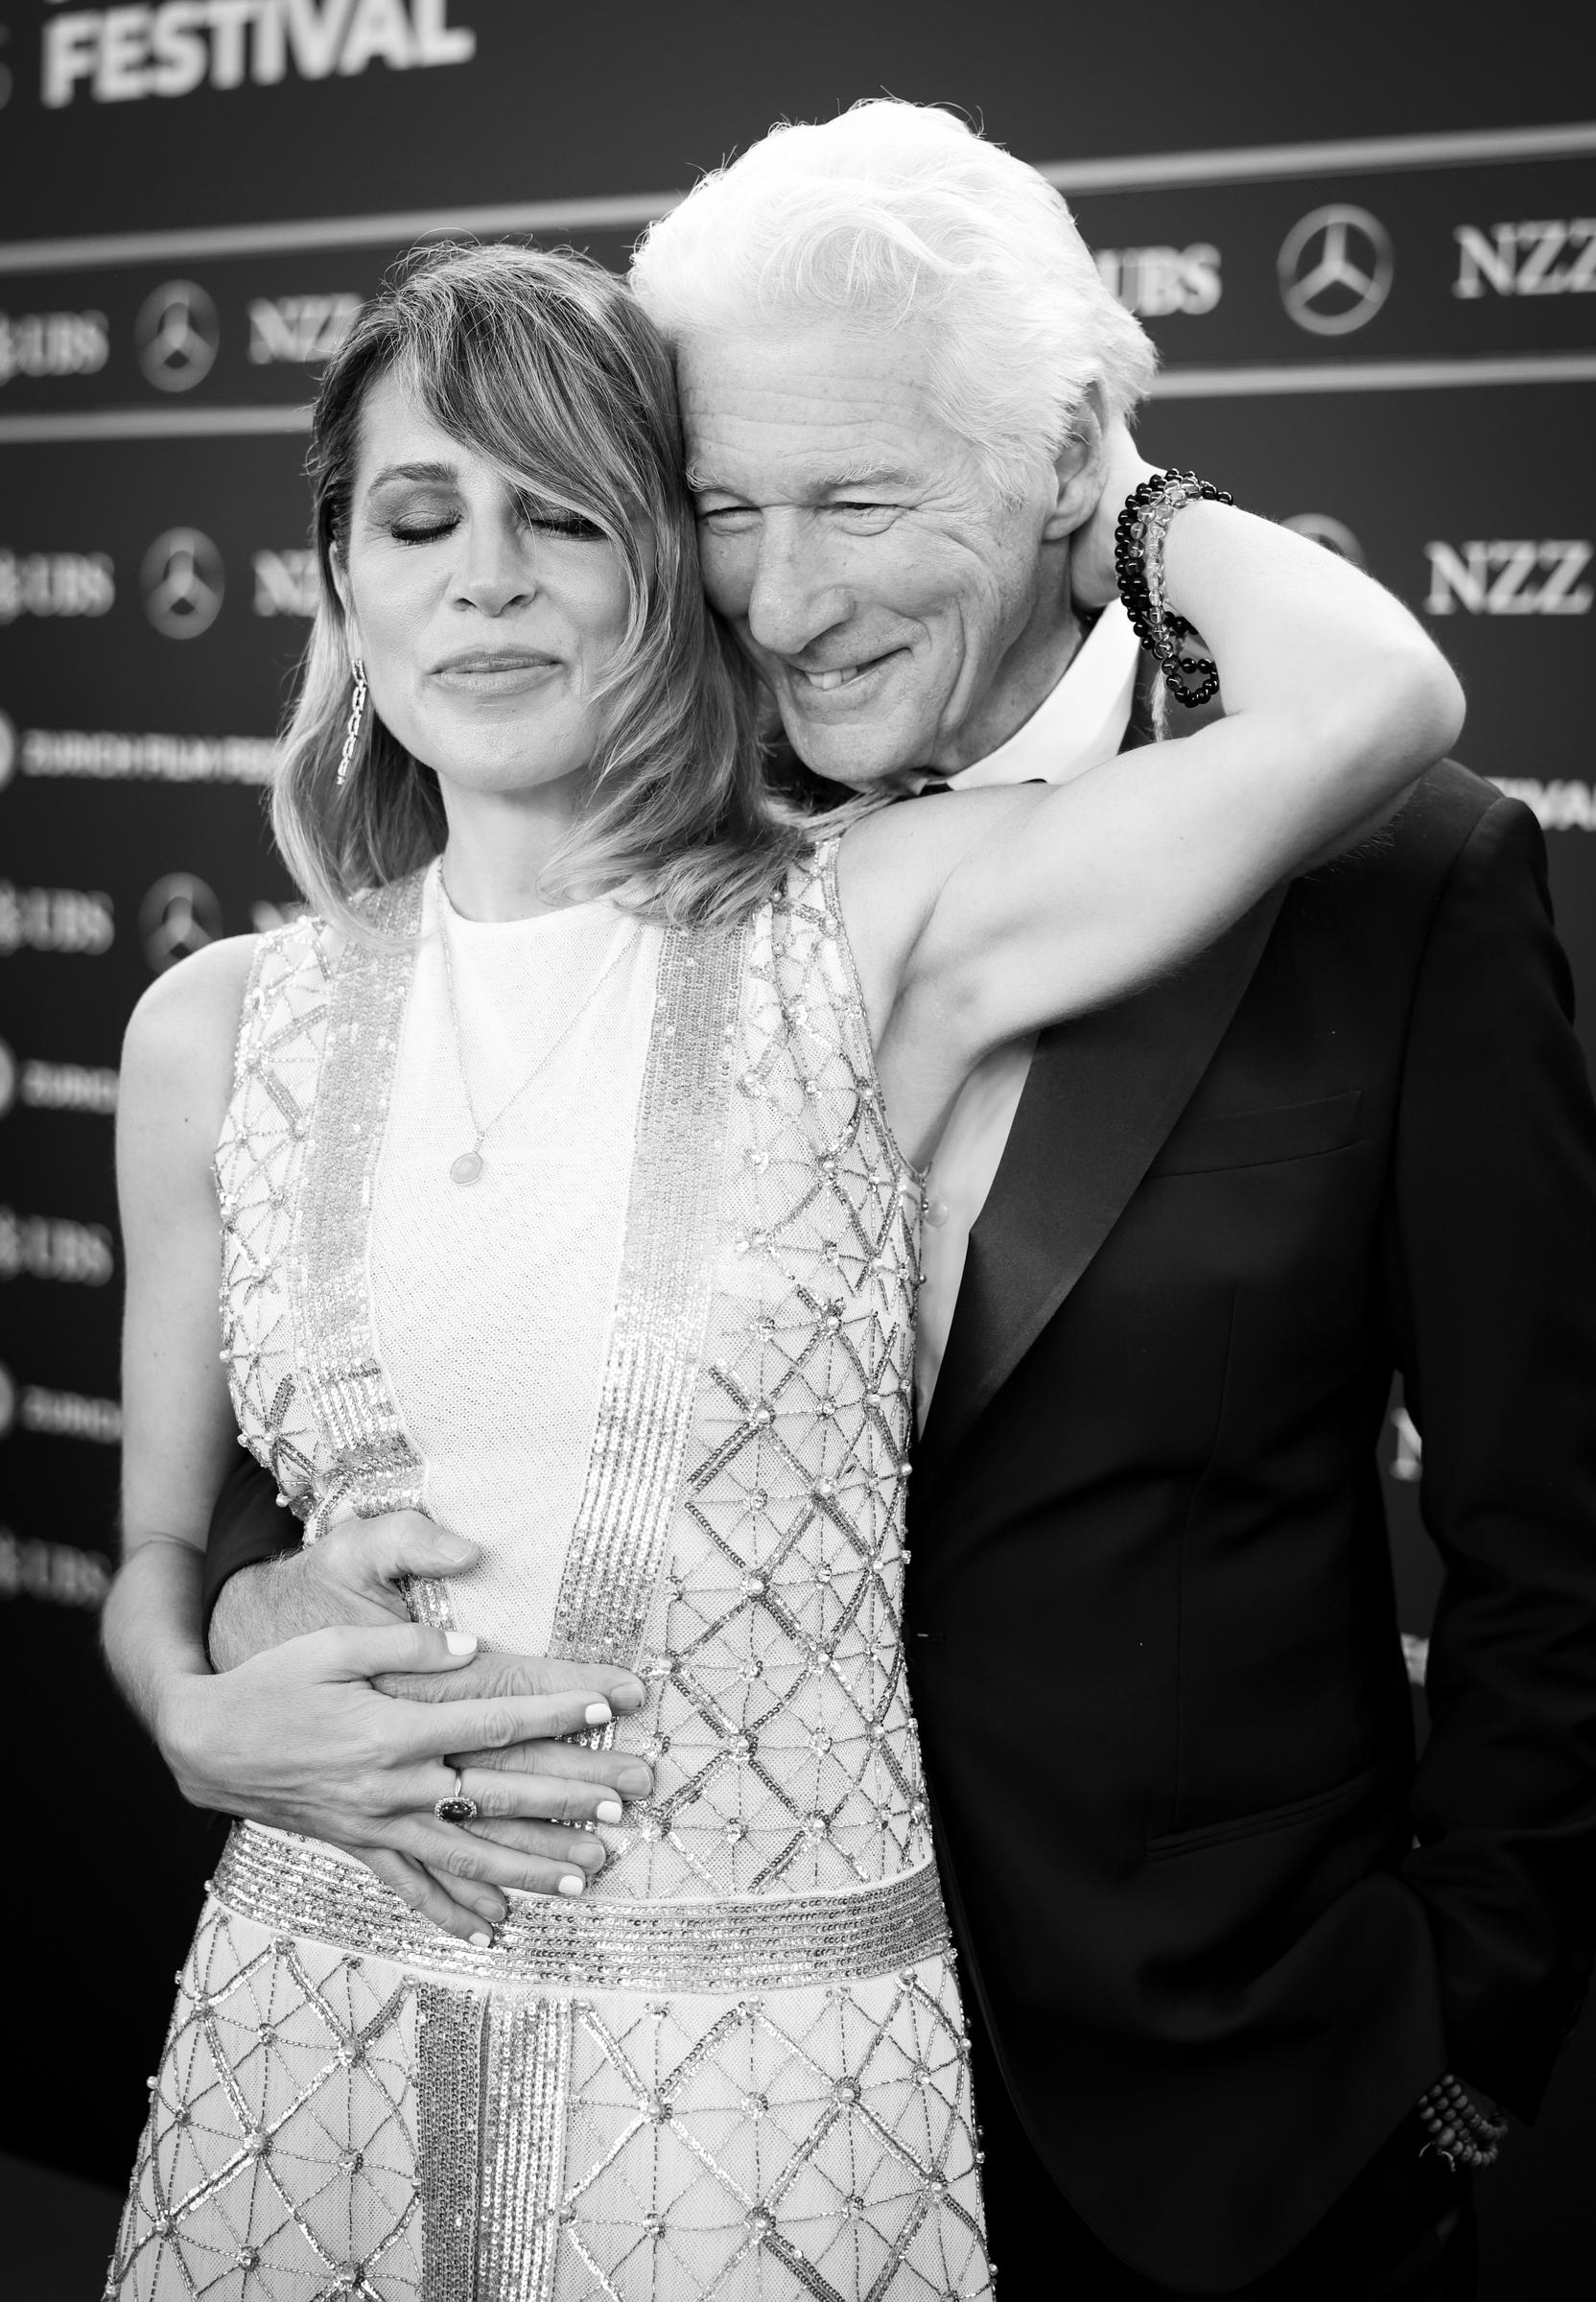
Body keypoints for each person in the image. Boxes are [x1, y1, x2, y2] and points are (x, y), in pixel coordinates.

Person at [104, 129, 1468, 2302]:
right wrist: (187, 1689)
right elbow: (173, 1556)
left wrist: (1117, 495)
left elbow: (1381, 702)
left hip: (778, 2079)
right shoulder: (214, 1029)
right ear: (337, 579)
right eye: (416, 521)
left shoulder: (852, 922)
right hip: (324, 2014)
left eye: (569, 521)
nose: (484, 581)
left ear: (655, 578)